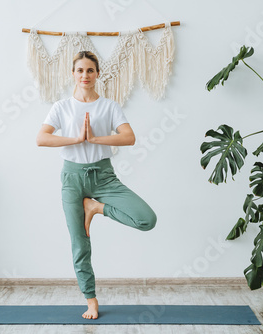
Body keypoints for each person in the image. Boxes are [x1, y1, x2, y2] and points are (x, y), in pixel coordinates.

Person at [36, 51, 157, 320]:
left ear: (98, 74)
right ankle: (90, 300)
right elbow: (41, 139)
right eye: (80, 70)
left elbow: (129, 137)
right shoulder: (61, 107)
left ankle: (96, 207)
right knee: (80, 244)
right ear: (73, 74)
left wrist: (95, 138)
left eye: (90, 70)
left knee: (146, 219)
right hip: (72, 179)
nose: (85, 76)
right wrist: (76, 139)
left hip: (103, 177)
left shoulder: (109, 106)